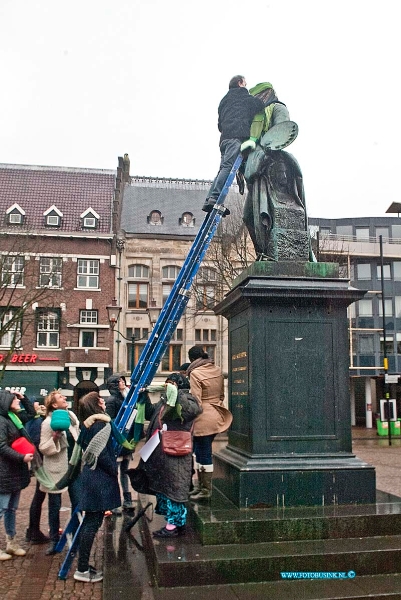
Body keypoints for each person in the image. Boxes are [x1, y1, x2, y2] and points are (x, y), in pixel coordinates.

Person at [134, 373, 202, 538]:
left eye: (170, 384)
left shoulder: (187, 399)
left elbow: (192, 411)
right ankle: (172, 523)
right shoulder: (165, 400)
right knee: (166, 487)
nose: (167, 387)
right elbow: (152, 414)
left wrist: (177, 393)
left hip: (176, 455)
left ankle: (174, 526)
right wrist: (145, 397)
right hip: (162, 454)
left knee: (175, 489)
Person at [73, 391, 121, 583]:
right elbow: (102, 455)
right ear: (96, 405)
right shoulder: (100, 425)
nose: (103, 400)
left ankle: (83, 566)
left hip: (91, 478)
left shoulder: (89, 425)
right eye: (99, 399)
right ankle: (82, 569)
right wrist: (113, 469)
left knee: (90, 523)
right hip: (99, 480)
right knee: (91, 524)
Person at [202, 75, 265, 215]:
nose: (247, 86)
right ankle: (215, 199)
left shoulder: (223, 101)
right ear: (240, 83)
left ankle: (210, 199)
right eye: (245, 83)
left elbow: (219, 124)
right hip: (236, 137)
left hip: (224, 139)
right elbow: (259, 105)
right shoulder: (243, 96)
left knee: (223, 168)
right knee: (228, 167)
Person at [187, 346, 232, 501]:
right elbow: (221, 394)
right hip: (217, 415)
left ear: (192, 360)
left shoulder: (195, 373)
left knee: (203, 453)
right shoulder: (217, 369)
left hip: (202, 419)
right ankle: (201, 486)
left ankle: (205, 490)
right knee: (201, 451)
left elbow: (196, 402)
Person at [39, 390, 80, 555]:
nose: (65, 398)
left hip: (74, 466)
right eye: (61, 397)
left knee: (77, 502)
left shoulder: (70, 417)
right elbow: (43, 447)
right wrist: (55, 438)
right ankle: (54, 539)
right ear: (54, 404)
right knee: (54, 506)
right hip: (56, 469)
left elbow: (77, 434)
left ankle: (76, 536)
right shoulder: (48, 423)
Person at [0, 389, 33, 560]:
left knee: (11, 509)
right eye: (15, 400)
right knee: (1, 509)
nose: (18, 402)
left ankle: (11, 541)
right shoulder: (1, 421)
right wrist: (22, 457)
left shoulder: (14, 418)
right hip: (4, 472)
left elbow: (31, 414)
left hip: (14, 472)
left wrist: (23, 397)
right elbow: (1, 447)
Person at [105, 374, 135, 513]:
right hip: (118, 440)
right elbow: (110, 420)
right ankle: (115, 501)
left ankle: (127, 499)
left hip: (125, 439)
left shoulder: (126, 397)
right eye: (120, 381)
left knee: (124, 471)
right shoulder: (112, 400)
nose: (123, 383)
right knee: (115, 472)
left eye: (123, 381)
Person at [24, 400, 50, 544]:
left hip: (39, 462)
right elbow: (35, 440)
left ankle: (32, 530)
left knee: (38, 497)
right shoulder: (38, 421)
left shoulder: (36, 420)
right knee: (38, 497)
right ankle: (33, 531)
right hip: (42, 463)